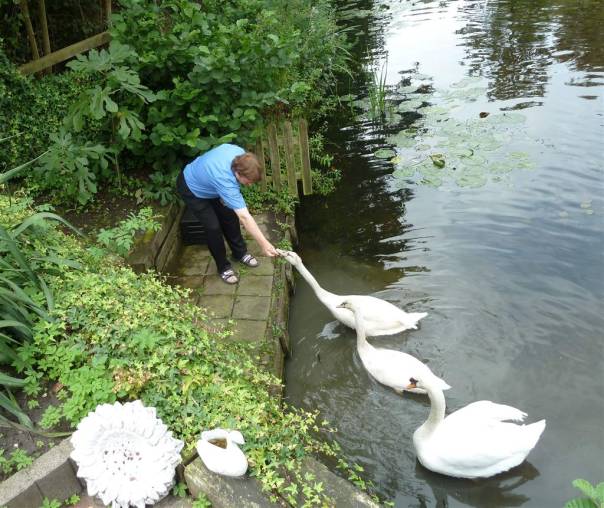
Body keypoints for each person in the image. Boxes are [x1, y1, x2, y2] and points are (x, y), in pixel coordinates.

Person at [176, 143, 278, 284]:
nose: (249, 185)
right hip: (192, 188)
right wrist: (265, 244)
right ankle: (223, 267)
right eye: (248, 181)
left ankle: (240, 253)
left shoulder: (240, 154)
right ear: (237, 173)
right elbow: (244, 217)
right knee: (213, 227)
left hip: (211, 183)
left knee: (230, 217)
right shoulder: (225, 180)